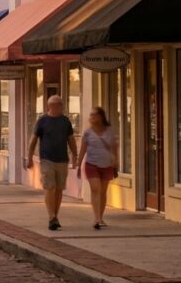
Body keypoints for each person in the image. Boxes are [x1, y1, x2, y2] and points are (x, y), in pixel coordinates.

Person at [25, 95, 77, 231]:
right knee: (49, 187)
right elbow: (33, 140)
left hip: (62, 159)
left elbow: (71, 140)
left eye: (61, 104)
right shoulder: (42, 121)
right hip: (47, 159)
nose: (61, 106)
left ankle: (55, 216)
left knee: (59, 188)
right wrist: (29, 157)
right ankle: (51, 216)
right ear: (50, 106)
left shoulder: (65, 121)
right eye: (58, 104)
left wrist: (75, 156)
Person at [76, 107, 119, 230]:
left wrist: (116, 163)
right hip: (91, 164)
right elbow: (83, 149)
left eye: (94, 115)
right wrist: (79, 165)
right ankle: (96, 218)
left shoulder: (109, 131)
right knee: (96, 189)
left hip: (107, 165)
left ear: (101, 116)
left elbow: (114, 148)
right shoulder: (88, 133)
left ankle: (101, 216)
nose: (91, 117)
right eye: (91, 115)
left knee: (103, 192)